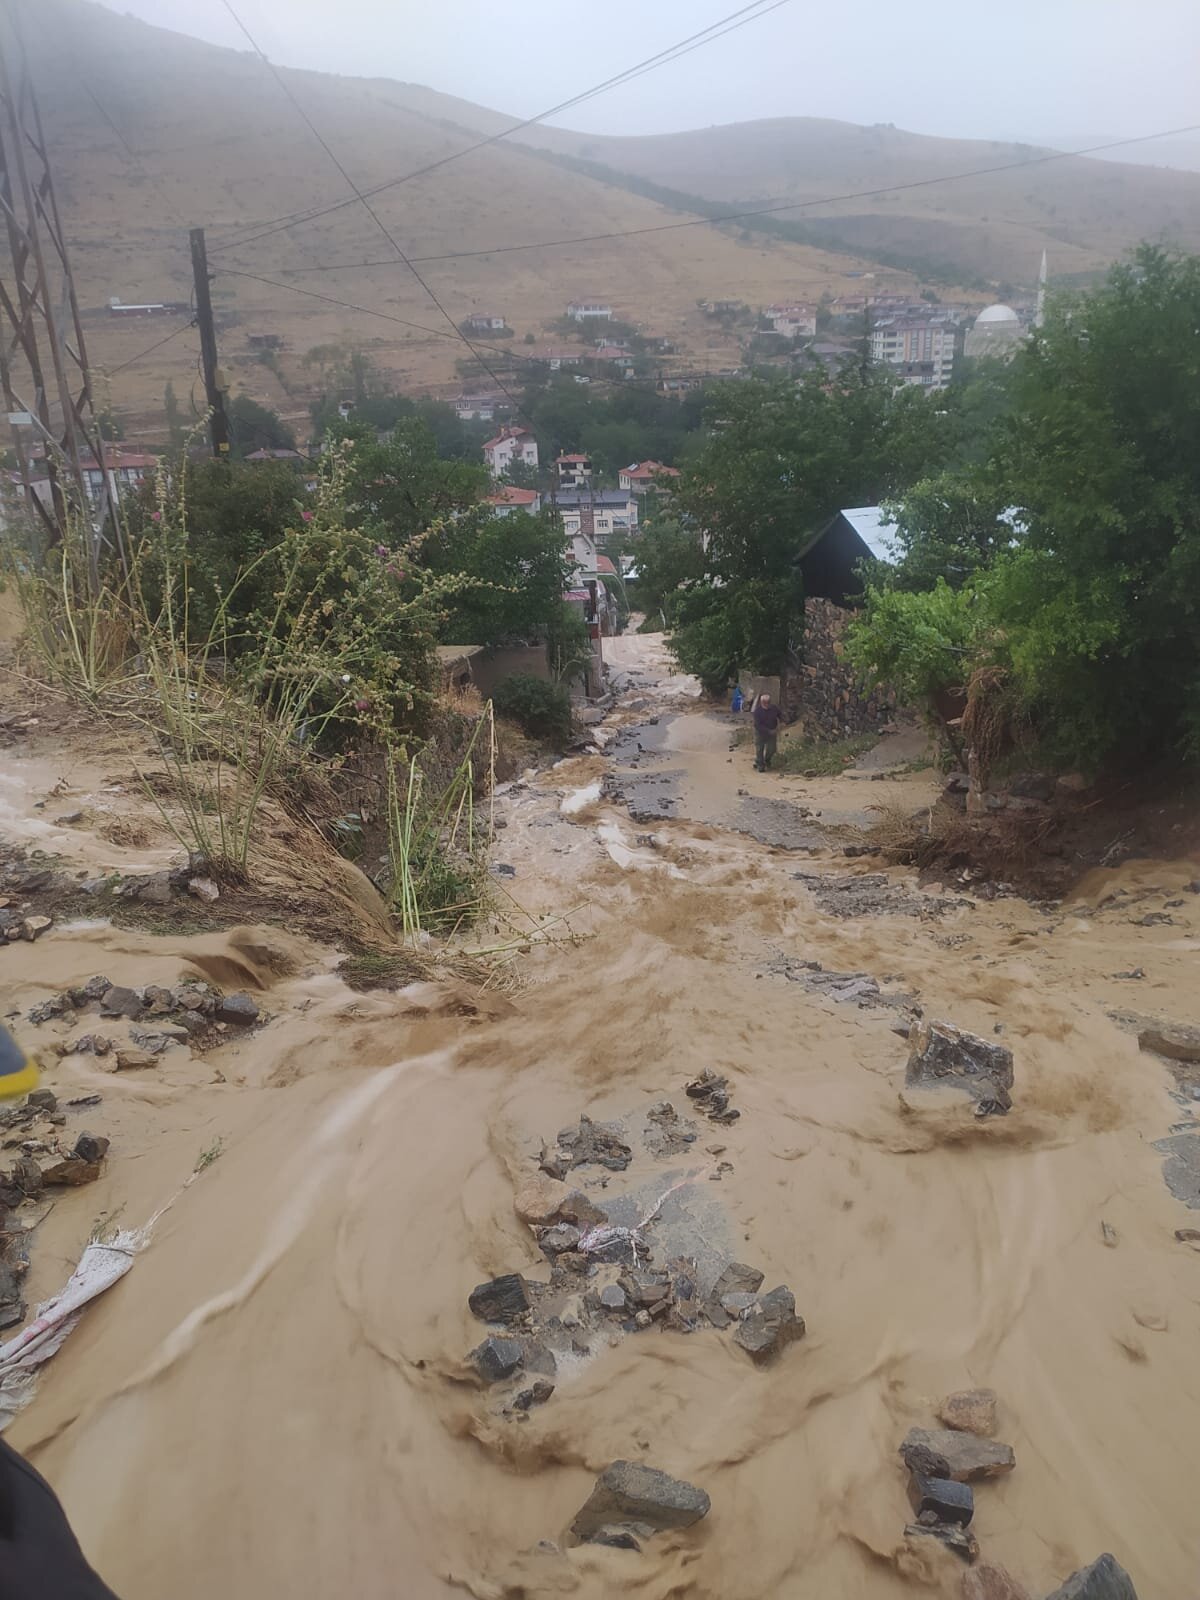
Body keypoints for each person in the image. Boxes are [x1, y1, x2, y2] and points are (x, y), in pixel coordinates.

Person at [752, 691, 783, 772]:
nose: (767, 703)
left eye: (768, 702)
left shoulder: (774, 708)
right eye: (765, 702)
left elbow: (780, 715)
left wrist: (783, 722)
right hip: (760, 733)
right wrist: (768, 731)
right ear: (761, 702)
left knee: (772, 749)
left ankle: (766, 760)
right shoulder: (757, 711)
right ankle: (760, 765)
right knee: (759, 749)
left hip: (772, 731)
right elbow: (758, 725)